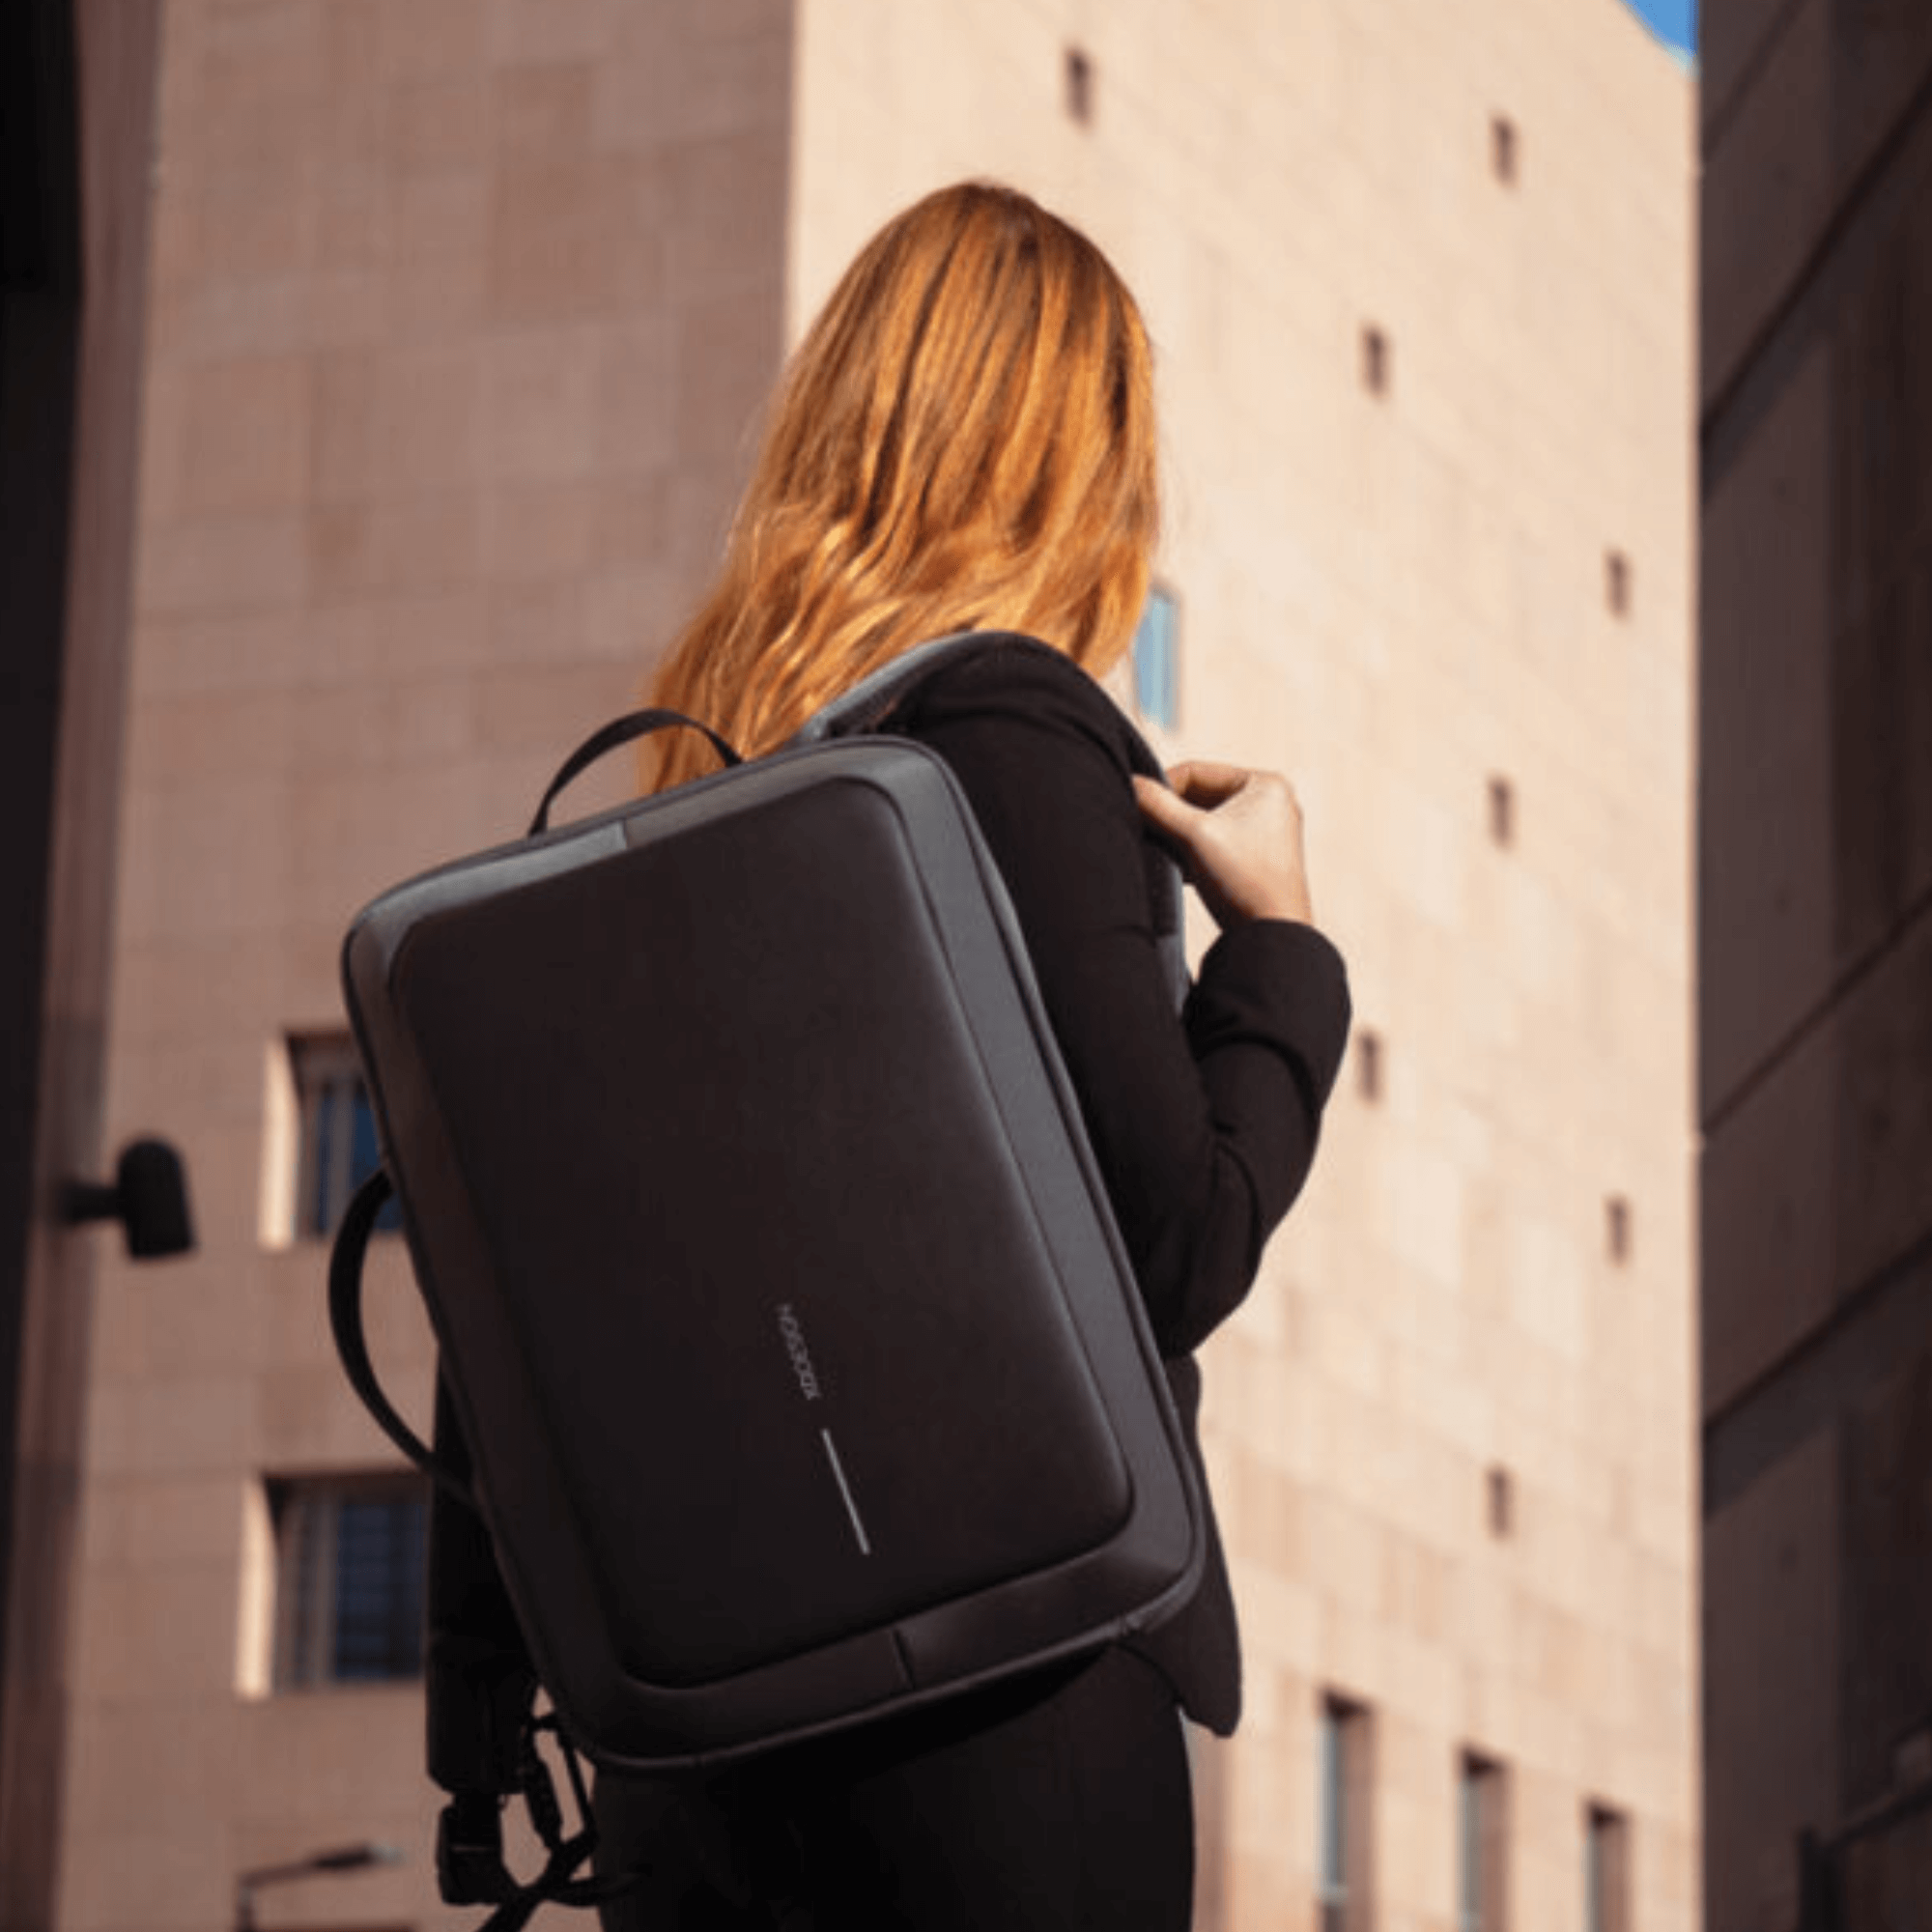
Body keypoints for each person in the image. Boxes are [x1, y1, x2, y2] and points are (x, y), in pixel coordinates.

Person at [596, 181, 1351, 1931]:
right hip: (999, 1708)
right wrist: (1287, 958)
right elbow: (1173, 1240)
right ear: (1080, 472)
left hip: (706, 1747)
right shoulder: (1007, 730)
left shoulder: (700, 788)